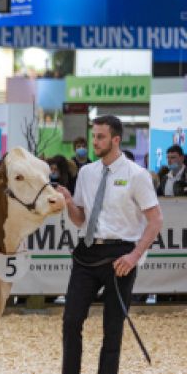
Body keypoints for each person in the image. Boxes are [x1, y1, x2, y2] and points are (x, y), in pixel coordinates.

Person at [56, 115, 162, 374]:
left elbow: (155, 220)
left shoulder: (136, 175)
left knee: (112, 327)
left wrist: (134, 256)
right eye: (94, 136)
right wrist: (70, 203)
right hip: (87, 253)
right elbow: (81, 220)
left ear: (116, 139)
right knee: (71, 321)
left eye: (101, 137)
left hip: (121, 256)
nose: (95, 142)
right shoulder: (86, 173)